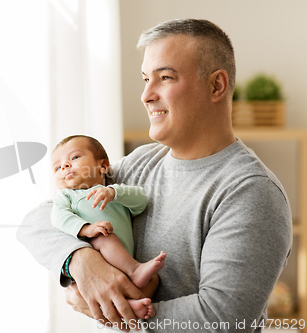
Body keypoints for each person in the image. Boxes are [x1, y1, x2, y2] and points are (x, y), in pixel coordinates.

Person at [17, 18, 292, 332]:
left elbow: (222, 317)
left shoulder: (250, 192)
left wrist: (110, 310)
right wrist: (81, 260)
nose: (146, 95)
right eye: (146, 79)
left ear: (216, 85)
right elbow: (36, 220)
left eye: (165, 77)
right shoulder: (141, 163)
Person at [50, 134, 166, 320]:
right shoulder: (66, 197)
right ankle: (135, 271)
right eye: (57, 167)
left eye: (74, 157)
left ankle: (132, 306)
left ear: (103, 166)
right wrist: (87, 229)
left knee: (154, 280)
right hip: (96, 255)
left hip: (121, 266)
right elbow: (58, 217)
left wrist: (114, 192)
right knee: (104, 234)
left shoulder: (114, 192)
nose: (64, 166)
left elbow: (141, 201)